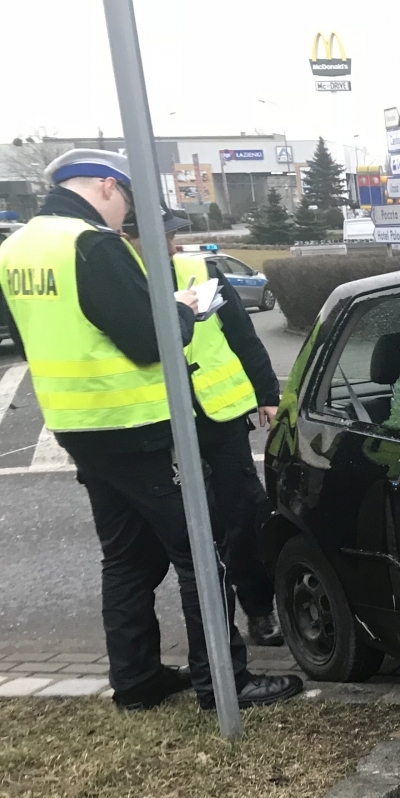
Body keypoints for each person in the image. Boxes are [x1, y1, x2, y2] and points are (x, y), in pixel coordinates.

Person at [0, 149, 301, 711]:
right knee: (201, 554)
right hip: (138, 425)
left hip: (77, 426)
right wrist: (183, 310)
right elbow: (148, 342)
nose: (126, 219)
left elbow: (24, 336)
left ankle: (136, 681)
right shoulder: (90, 243)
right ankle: (224, 684)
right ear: (107, 188)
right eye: (127, 203)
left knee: (128, 560)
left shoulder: (15, 249)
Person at [122, 217, 285, 646]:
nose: (173, 245)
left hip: (219, 419)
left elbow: (242, 335)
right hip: (161, 426)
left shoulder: (201, 271)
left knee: (245, 517)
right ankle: (212, 629)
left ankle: (259, 609)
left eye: (172, 236)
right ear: (127, 238)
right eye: (161, 239)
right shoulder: (117, 281)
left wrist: (268, 392)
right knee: (189, 530)